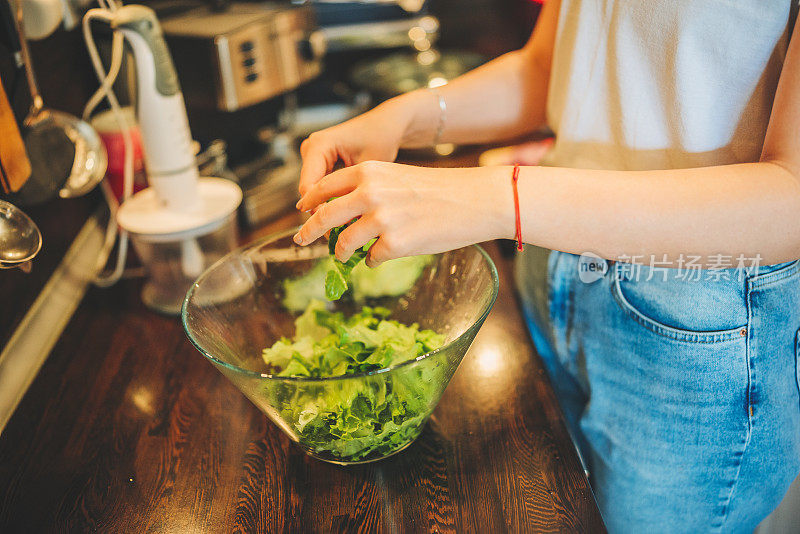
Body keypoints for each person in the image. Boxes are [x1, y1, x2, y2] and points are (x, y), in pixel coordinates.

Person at [293, 0, 800, 531]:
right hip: (551, 260)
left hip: (691, 329)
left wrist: (492, 197)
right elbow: (548, 70)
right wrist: (407, 116)